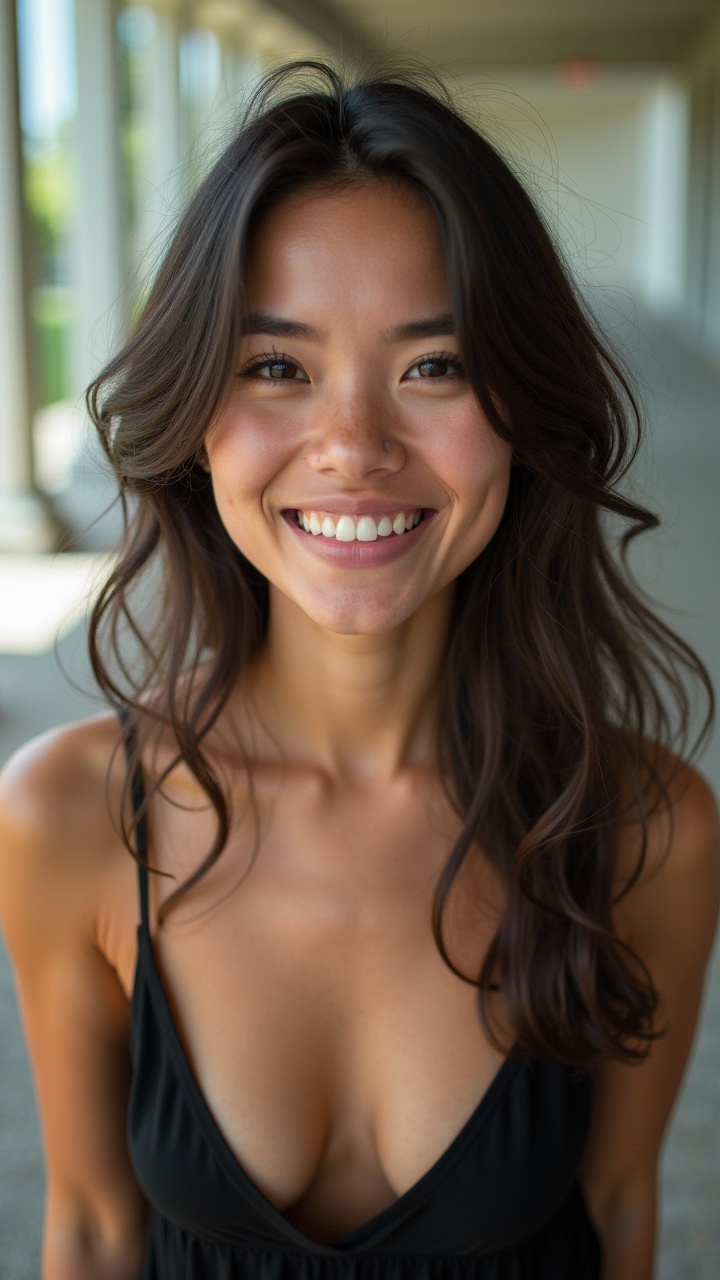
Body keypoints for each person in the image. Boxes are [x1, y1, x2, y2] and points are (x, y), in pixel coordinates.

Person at [0, 59, 718, 1280]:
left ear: (522, 405)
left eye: (432, 365)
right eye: (277, 366)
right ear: (198, 414)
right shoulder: (69, 815)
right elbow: (93, 1228)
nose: (352, 446)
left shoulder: (642, 828)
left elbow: (619, 1216)